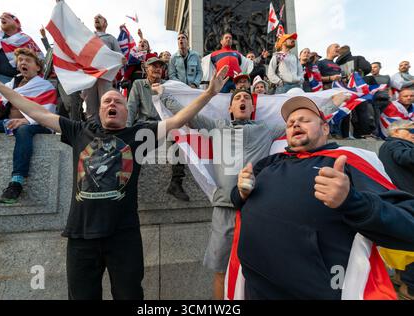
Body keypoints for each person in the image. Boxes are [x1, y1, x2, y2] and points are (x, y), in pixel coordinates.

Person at [0, 57, 230, 300]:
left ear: (126, 112)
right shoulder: (79, 131)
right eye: (106, 101)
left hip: (124, 238)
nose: (111, 105)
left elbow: (176, 121)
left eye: (117, 102)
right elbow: (37, 112)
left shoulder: (139, 136)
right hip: (80, 238)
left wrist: (209, 93)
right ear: (98, 110)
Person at [231, 96, 414, 300]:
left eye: (304, 120)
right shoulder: (267, 163)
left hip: (315, 290)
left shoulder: (351, 160)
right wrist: (241, 192)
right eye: (291, 123)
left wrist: (352, 201)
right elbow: (237, 200)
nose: (295, 124)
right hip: (257, 287)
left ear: (325, 128)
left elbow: (408, 221)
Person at [157, 86, 286, 300]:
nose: (242, 99)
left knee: (260, 271)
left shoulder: (267, 128)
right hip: (225, 209)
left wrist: (335, 103)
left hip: (258, 210)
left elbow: (300, 121)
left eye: (247, 97)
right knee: (221, 271)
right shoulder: (217, 127)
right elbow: (187, 114)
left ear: (252, 108)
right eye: (238, 98)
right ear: (231, 108)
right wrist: (163, 94)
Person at [0, 49, 56, 202]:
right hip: (9, 123)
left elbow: (47, 114)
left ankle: (16, 183)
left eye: (27, 60)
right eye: (20, 60)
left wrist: (25, 120)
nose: (23, 63)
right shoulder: (12, 83)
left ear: (38, 67)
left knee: (23, 129)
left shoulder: (46, 86)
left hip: (35, 124)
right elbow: (0, 106)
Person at [127, 55, 190, 202]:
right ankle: (128, 184)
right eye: (154, 66)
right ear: (145, 68)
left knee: (178, 137)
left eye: (160, 66)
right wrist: (126, 131)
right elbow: (131, 108)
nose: (157, 69)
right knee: (134, 148)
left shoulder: (168, 86)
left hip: (164, 125)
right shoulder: (138, 84)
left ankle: (176, 182)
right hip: (144, 124)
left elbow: (177, 108)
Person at [379, 120, 414, 300]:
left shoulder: (392, 145)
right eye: (411, 130)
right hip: (406, 201)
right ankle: (409, 288)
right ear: (396, 132)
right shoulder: (393, 144)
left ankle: (401, 280)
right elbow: (405, 157)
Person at [39, 26, 84, 122]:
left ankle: (74, 125)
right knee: (52, 104)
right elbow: (49, 50)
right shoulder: (54, 49)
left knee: (70, 104)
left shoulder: (73, 47)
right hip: (51, 81)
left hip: (66, 80)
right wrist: (44, 37)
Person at [83, 14, 122, 120]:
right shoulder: (87, 36)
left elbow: (119, 56)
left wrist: (114, 74)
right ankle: (92, 130)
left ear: (105, 23)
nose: (96, 18)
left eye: (99, 17)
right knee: (90, 105)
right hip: (89, 75)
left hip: (105, 76)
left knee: (106, 103)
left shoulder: (111, 38)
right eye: (94, 18)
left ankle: (106, 129)